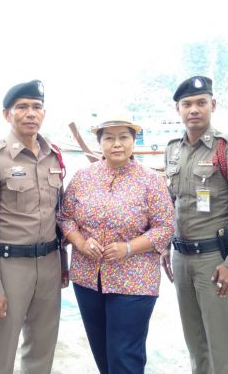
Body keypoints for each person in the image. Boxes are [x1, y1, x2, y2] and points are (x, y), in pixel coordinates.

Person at [58, 115, 174, 374]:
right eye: (109, 138)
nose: (117, 144)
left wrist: (128, 248)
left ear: (133, 141)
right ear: (100, 143)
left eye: (124, 137)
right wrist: (80, 242)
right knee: (102, 353)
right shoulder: (83, 177)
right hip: (88, 278)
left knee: (124, 356)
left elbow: (165, 227)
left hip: (134, 280)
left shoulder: (150, 181)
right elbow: (65, 217)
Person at [0, 79, 67, 374]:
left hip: (49, 264)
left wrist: (63, 265)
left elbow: (58, 215)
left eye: (36, 107)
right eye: (22, 107)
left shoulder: (53, 156)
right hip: (10, 266)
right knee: (2, 349)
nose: (30, 113)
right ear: (6, 114)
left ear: (44, 113)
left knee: (42, 346)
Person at [160, 76, 228, 374]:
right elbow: (170, 201)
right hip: (181, 256)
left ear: (213, 105)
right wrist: (165, 245)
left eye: (201, 103)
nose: (194, 110)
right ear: (178, 109)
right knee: (194, 340)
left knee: (219, 340)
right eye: (187, 104)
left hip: (214, 258)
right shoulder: (172, 149)